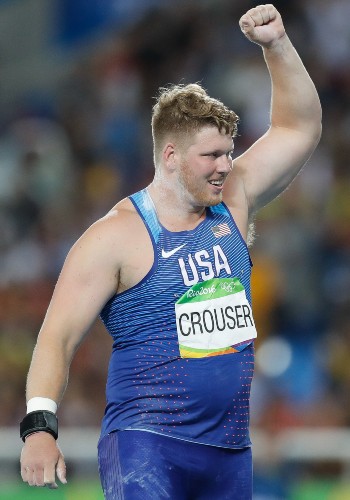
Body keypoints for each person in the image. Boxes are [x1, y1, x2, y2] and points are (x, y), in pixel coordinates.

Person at [20, 4, 321, 499]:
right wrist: (38, 427)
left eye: (229, 152)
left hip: (229, 450)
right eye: (211, 156)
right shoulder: (113, 237)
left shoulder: (233, 197)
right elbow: (57, 336)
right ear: (170, 156)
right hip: (148, 446)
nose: (226, 166)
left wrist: (278, 46)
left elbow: (298, 130)